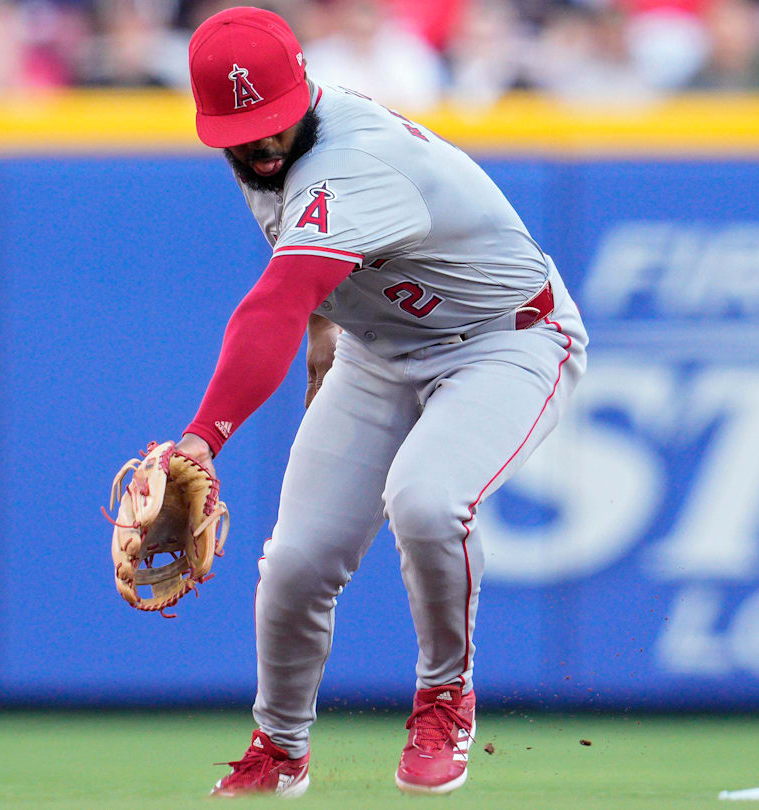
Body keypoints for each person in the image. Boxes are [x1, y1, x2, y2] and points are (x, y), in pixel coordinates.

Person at [175, 6, 587, 798]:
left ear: (303, 94)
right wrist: (328, 344)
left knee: (427, 501)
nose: (261, 143)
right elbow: (328, 287)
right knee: (295, 562)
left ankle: (444, 699)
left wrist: (204, 436)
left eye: (273, 122)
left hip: (506, 341)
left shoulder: (353, 159)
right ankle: (279, 749)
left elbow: (278, 301)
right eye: (242, 130)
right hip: (382, 353)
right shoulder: (267, 163)